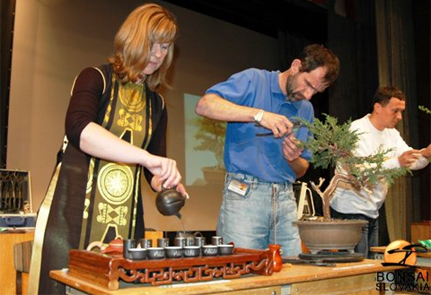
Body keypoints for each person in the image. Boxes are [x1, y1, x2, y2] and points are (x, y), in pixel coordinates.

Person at [28, 4, 187, 294]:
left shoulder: (157, 105)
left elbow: (152, 169)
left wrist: (165, 179)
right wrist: (147, 158)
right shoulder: (94, 77)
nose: (158, 54)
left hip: (127, 220)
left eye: (165, 47)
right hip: (72, 213)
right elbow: (80, 131)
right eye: (152, 44)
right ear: (133, 38)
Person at [195, 44, 340, 256]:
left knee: (291, 276)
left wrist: (293, 159)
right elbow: (205, 105)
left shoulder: (306, 110)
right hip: (245, 196)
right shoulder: (254, 80)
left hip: (285, 199)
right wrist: (259, 115)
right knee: (244, 274)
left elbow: (301, 169)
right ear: (296, 66)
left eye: (315, 92)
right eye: (308, 85)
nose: (308, 96)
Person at [330, 85, 431, 258]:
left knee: (369, 269)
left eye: (401, 111)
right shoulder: (356, 130)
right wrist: (396, 162)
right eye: (395, 111)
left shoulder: (391, 134)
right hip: (349, 211)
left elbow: (409, 161)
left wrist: (427, 155)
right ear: (378, 107)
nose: (399, 116)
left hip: (371, 211)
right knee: (356, 269)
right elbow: (359, 171)